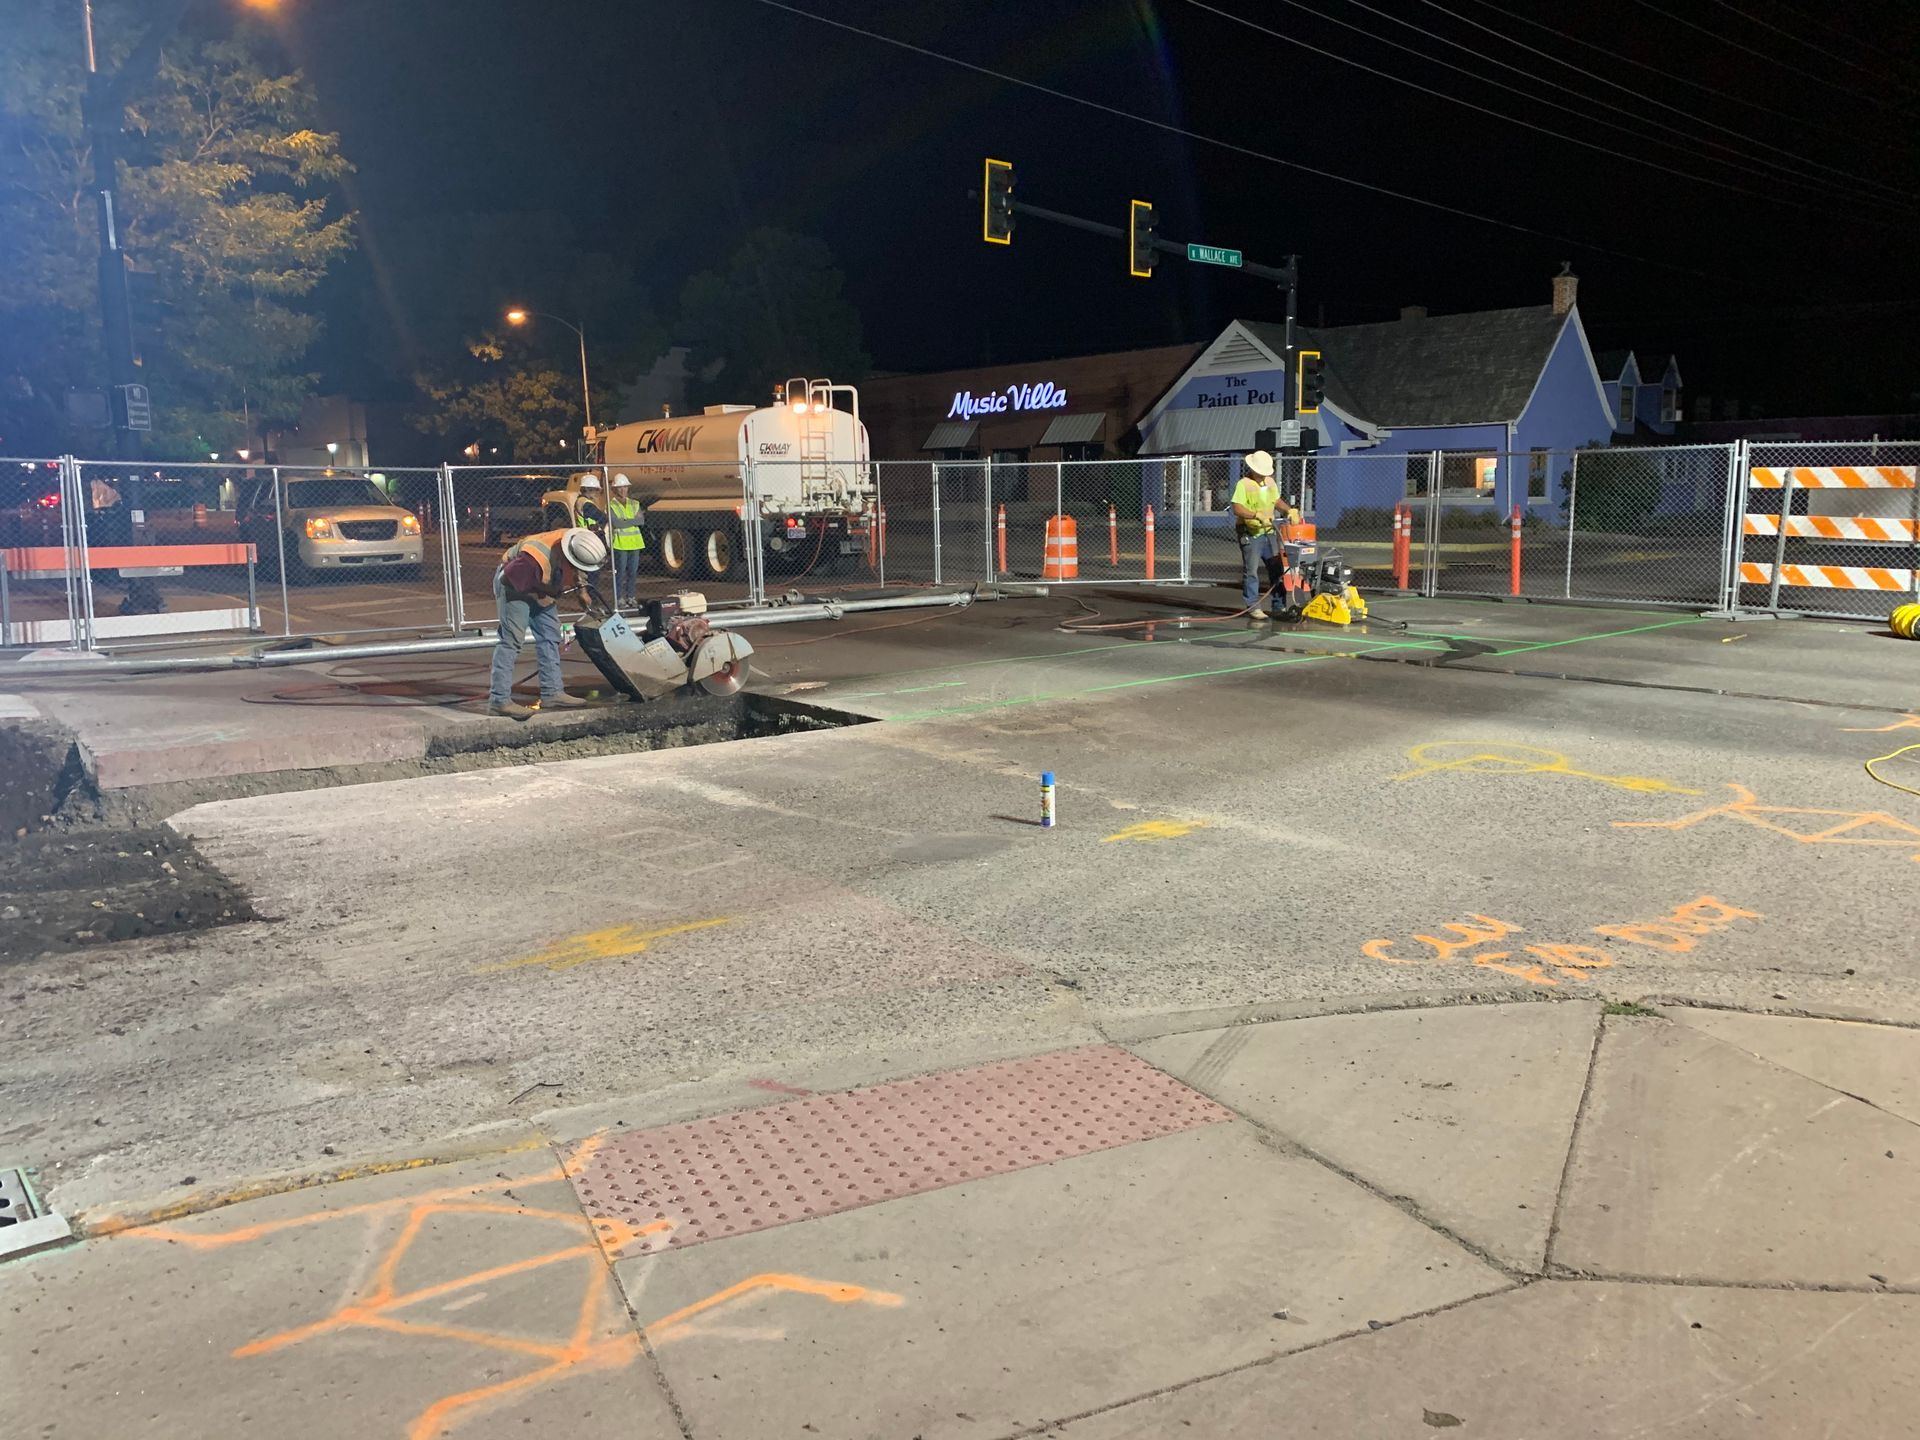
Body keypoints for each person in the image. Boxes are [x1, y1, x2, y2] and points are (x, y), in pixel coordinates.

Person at [487, 526, 608, 720]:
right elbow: (509, 577)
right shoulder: (534, 558)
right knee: (511, 641)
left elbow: (577, 567)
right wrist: (548, 590)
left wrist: (581, 590)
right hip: (515, 587)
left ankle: (552, 693)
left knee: (550, 635)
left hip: (540, 583)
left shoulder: (576, 540)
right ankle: (499, 701)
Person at [1231, 450, 1285, 617]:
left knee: (1277, 569)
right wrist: (1255, 515)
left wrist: (1289, 510)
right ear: (1253, 469)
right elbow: (1237, 507)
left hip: (1268, 531)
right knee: (1252, 570)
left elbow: (1276, 501)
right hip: (1251, 532)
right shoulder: (1243, 484)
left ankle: (1279, 605)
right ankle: (1253, 607)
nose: (1263, 476)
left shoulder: (1270, 482)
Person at [606, 472, 646, 609]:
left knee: (632, 572)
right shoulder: (611, 505)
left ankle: (631, 596)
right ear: (614, 489)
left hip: (635, 543)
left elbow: (641, 521)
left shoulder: (635, 503)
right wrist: (632, 521)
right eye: (620, 487)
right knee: (620, 572)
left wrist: (625, 521)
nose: (623, 490)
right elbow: (617, 523)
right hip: (620, 543)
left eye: (625, 487)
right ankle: (619, 598)